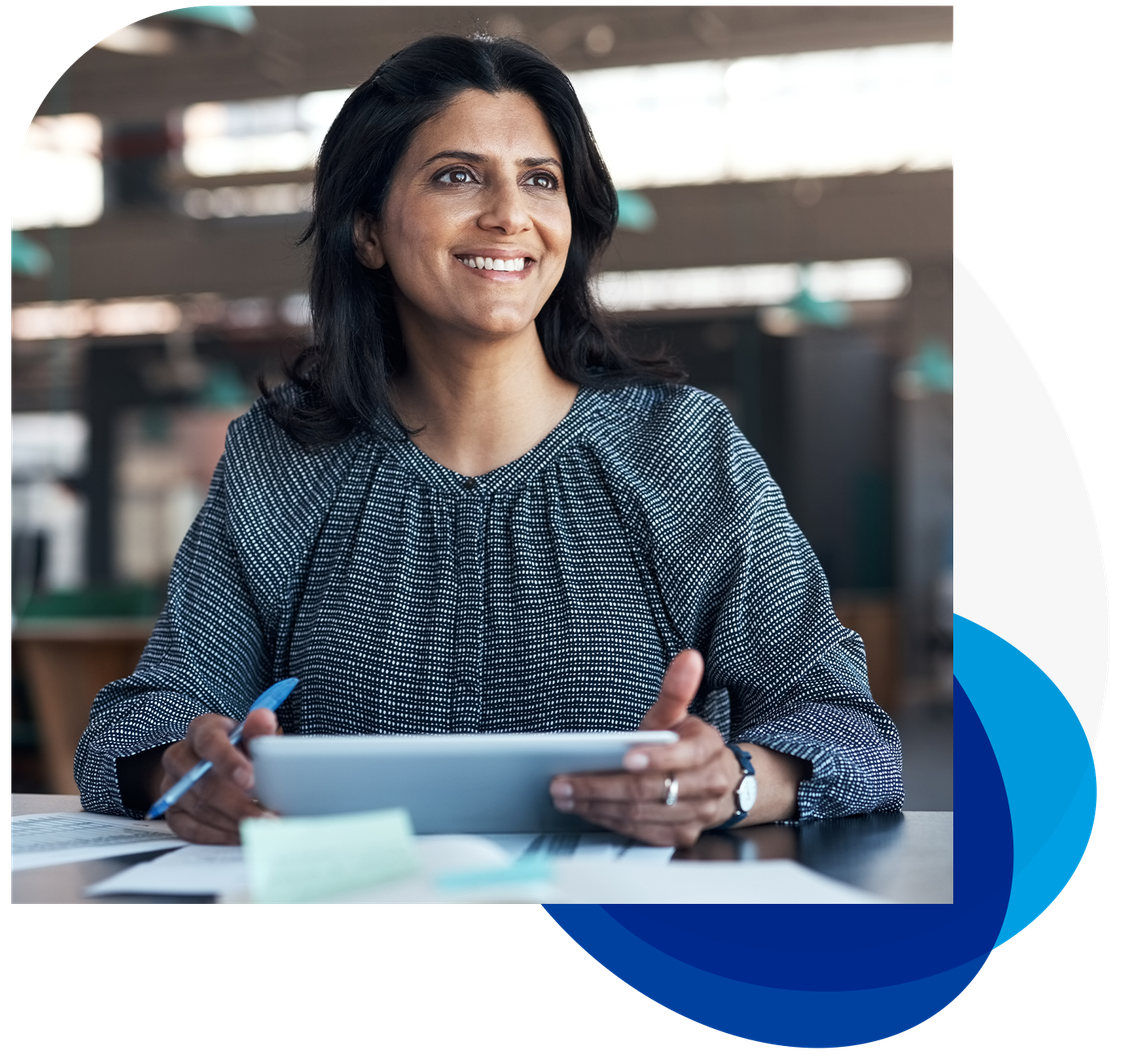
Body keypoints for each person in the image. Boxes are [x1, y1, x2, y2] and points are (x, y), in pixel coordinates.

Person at [75, 34, 903, 848]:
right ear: (365, 228)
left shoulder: (681, 450)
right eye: (457, 175)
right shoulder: (282, 462)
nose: (510, 214)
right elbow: (137, 722)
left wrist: (738, 782)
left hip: (632, 938)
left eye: (540, 181)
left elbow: (854, 734)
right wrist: (182, 773)